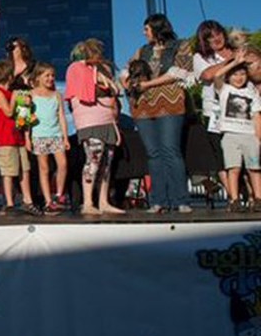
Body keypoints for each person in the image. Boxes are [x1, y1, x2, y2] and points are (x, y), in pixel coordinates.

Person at [123, 14, 193, 213]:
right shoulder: (142, 50)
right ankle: (157, 201)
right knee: (153, 153)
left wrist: (148, 84)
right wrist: (126, 82)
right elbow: (125, 70)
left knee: (171, 149)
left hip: (170, 102)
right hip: (143, 105)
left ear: (157, 28)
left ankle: (181, 200)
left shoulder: (180, 45)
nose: (143, 33)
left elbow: (180, 71)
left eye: (146, 29)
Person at [65, 39, 124, 215]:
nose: (98, 55)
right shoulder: (76, 68)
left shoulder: (100, 71)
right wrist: (99, 78)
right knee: (93, 159)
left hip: (106, 119)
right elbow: (87, 89)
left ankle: (103, 201)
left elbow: (115, 90)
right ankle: (88, 202)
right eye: (94, 51)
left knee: (107, 162)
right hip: (90, 120)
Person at [192, 20, 237, 192]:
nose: (216, 38)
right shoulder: (201, 57)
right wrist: (231, 61)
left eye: (218, 33)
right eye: (210, 37)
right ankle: (233, 196)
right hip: (216, 112)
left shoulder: (236, 50)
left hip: (243, 111)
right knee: (222, 155)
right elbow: (207, 74)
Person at [212, 54, 261, 211]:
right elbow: (217, 75)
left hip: (249, 134)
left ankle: (258, 198)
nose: (239, 78)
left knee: (254, 168)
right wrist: (235, 62)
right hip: (230, 134)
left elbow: (256, 115)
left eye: (242, 74)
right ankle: (234, 199)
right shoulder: (225, 89)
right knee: (233, 168)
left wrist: (258, 136)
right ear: (229, 76)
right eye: (235, 74)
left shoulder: (251, 92)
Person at [0, 59, 40, 215]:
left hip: (17, 137)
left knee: (24, 170)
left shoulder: (13, 92)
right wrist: (14, 98)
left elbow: (22, 115)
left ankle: (28, 200)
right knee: (8, 172)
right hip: (5, 139)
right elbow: (8, 112)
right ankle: (10, 203)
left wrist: (26, 103)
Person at [28, 61, 70, 214]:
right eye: (47, 75)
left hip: (56, 135)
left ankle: (59, 195)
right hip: (39, 136)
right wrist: (28, 137)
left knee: (63, 164)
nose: (51, 78)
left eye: (52, 75)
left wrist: (65, 137)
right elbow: (26, 117)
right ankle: (47, 201)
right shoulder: (31, 94)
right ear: (38, 77)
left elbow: (62, 117)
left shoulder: (57, 95)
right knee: (44, 168)